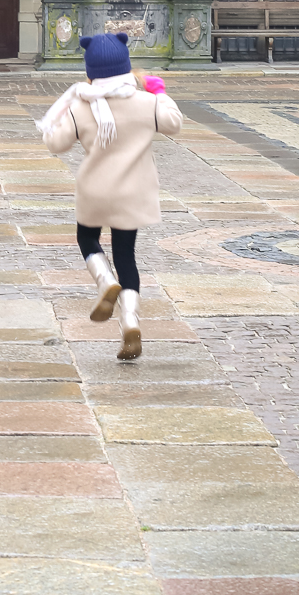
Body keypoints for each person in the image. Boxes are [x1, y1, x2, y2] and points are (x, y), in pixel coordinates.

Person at [36, 32, 182, 362]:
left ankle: (104, 282)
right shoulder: (148, 104)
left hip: (95, 190)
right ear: (126, 68)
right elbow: (174, 123)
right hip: (134, 192)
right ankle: (130, 320)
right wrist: (159, 92)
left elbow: (56, 144)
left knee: (87, 238)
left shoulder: (81, 106)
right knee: (126, 257)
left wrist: (57, 117)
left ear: (91, 72)